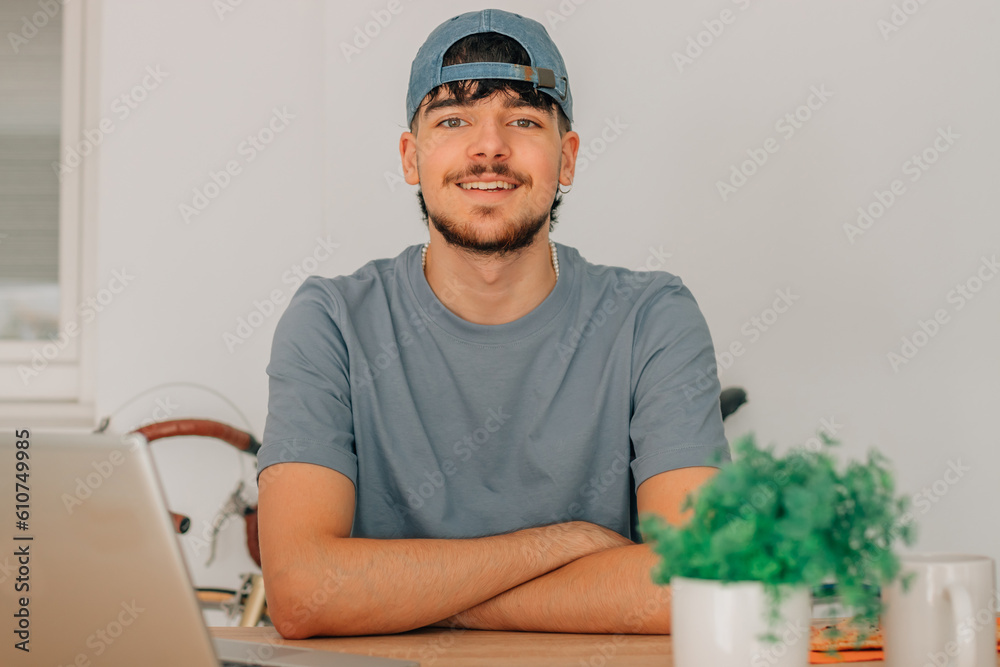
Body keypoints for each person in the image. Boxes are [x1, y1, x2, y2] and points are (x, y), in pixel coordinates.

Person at [256, 8, 731, 639]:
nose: (489, 147)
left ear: (566, 158)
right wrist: (561, 545)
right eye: (453, 120)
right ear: (410, 155)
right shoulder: (332, 322)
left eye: (524, 120)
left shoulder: (653, 319)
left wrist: (420, 600)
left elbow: (699, 583)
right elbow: (302, 593)